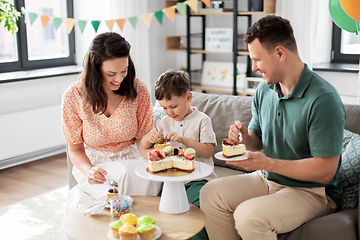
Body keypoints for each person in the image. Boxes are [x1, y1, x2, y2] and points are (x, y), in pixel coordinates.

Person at [200, 15, 345, 240]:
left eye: (257, 59)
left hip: (312, 192)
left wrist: (268, 163)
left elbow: (325, 171)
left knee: (248, 216)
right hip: (269, 179)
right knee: (210, 193)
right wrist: (244, 138)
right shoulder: (264, 91)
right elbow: (257, 142)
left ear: (280, 53)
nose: (254, 67)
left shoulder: (323, 99)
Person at [61, 32, 162, 214]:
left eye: (124, 71)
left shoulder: (137, 88)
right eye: (111, 73)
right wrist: (89, 170)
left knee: (134, 178)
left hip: (131, 158)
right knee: (119, 184)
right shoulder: (74, 95)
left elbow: (141, 141)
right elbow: (75, 149)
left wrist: (156, 157)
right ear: (95, 69)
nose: (119, 79)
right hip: (95, 163)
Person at [141, 70, 217, 240]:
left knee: (194, 214)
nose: (169, 112)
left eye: (173, 106)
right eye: (164, 108)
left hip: (197, 180)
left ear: (188, 97)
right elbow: (144, 146)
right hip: (170, 181)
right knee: (163, 214)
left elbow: (207, 151)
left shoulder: (202, 120)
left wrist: (183, 140)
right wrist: (149, 137)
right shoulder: (163, 122)